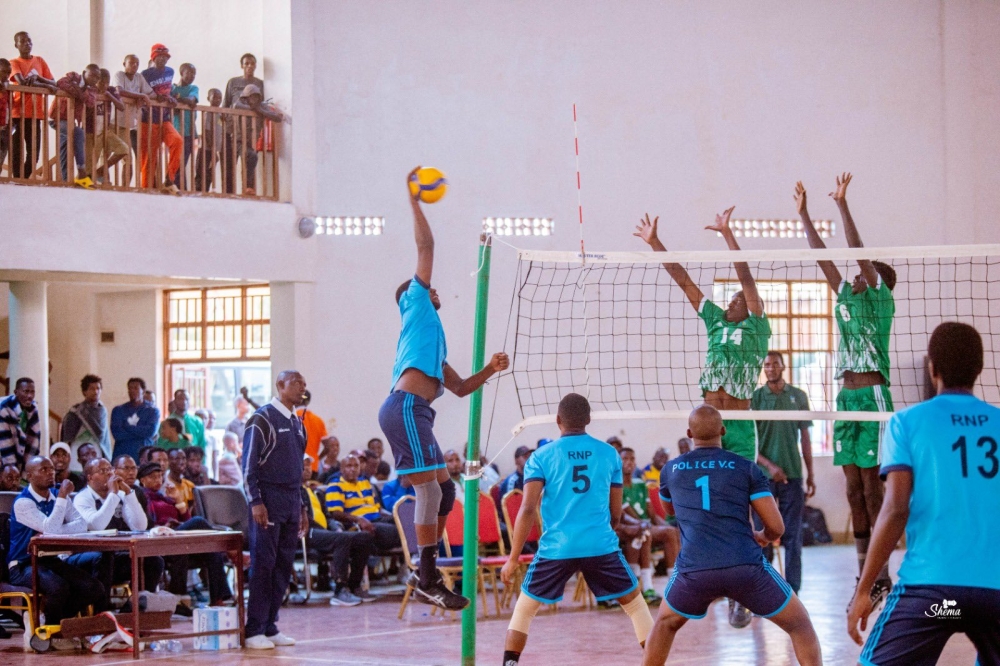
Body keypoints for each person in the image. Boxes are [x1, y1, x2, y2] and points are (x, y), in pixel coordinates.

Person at [377, 168, 510, 610]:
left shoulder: (434, 345)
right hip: (405, 407)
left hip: (419, 410)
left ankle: (424, 571)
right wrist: (414, 200)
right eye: (428, 287)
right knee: (430, 492)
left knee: (446, 491)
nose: (436, 290)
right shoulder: (413, 302)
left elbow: (461, 388)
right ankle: (427, 575)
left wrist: (490, 368)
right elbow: (426, 246)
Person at [635, 206, 770, 627]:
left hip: (741, 428)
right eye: (730, 297)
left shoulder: (758, 329)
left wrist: (728, 234)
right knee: (698, 505)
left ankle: (743, 592)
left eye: (739, 299)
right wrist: (655, 243)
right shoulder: (713, 321)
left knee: (742, 507)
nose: (733, 299)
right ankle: (696, 576)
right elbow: (684, 281)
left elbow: (746, 278)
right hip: (706, 429)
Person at [847, 322, 1000, 665]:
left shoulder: (907, 422)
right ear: (979, 368)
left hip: (937, 601)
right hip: (994, 598)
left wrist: (864, 589)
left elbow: (895, 509)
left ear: (932, 368)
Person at [642, 405, 822, 666]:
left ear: (689, 433)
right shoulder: (745, 467)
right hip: (744, 566)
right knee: (800, 624)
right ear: (723, 431)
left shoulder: (670, 470)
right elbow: (777, 527)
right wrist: (763, 536)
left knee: (665, 624)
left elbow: (670, 511)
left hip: (694, 570)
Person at [795, 174, 896, 606]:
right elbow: (824, 259)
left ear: (877, 283)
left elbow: (856, 253)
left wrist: (841, 205)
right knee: (853, 490)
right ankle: (863, 572)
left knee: (874, 490)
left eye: (862, 274)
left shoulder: (879, 300)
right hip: (845, 399)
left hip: (872, 398)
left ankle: (882, 573)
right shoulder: (846, 299)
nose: (854, 276)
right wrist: (802, 216)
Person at [499, 393, 654, 665]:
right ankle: (656, 661)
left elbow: (526, 509)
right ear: (589, 420)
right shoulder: (609, 454)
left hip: (557, 546)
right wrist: (608, 532)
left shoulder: (541, 456)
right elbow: (616, 511)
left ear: (558, 420)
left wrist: (513, 559)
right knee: (635, 604)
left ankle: (509, 662)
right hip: (599, 543)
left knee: (525, 609)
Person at [242, 370, 309, 650]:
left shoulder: (298, 422)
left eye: (304, 384)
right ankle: (253, 629)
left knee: (283, 565)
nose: (302, 388)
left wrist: (302, 505)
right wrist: (256, 502)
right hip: (267, 501)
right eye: (296, 383)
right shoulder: (262, 419)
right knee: (264, 565)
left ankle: (270, 626)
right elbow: (248, 467)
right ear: (280, 385)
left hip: (291, 501)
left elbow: (297, 470)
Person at [7, 456, 107, 632]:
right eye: (43, 469)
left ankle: (60, 622)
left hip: (50, 560)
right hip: (23, 564)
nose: (50, 473)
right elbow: (51, 528)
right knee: (58, 587)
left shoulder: (56, 496)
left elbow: (81, 524)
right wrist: (61, 497)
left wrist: (55, 527)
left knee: (94, 587)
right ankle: (51, 631)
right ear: (29, 476)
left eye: (51, 469)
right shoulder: (23, 502)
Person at [751, 351, 815, 594]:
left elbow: (806, 439)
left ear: (783, 366)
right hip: (762, 478)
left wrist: (811, 474)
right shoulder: (755, 398)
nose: (770, 368)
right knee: (762, 536)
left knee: (793, 536)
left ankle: (792, 591)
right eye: (766, 365)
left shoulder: (798, 396)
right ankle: (764, 589)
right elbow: (751, 442)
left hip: (793, 475)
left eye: (775, 364)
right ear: (763, 368)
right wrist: (770, 466)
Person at [137, 460, 233, 613]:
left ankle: (217, 599)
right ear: (142, 480)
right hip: (160, 539)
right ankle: (230, 550)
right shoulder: (143, 497)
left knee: (212, 551)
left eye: (159, 476)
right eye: (152, 477)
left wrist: (179, 500)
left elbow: (186, 521)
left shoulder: (165, 497)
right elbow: (148, 524)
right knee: (199, 521)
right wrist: (163, 526)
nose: (157, 480)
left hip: (178, 538)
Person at [70, 458, 163, 597]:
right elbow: (97, 525)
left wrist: (129, 494)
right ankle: (102, 611)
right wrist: (113, 495)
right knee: (105, 557)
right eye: (103, 471)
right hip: (86, 555)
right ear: (90, 477)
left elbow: (139, 526)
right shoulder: (82, 498)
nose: (109, 474)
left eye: (110, 469)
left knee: (153, 560)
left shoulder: (118, 494)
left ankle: (135, 608)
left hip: (114, 553)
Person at [300, 455, 376, 606]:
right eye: (303, 466)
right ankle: (340, 590)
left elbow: (329, 517)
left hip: (324, 532)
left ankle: (354, 585)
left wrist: (336, 528)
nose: (307, 469)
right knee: (342, 539)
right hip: (307, 533)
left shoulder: (314, 491)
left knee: (364, 538)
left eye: (309, 466)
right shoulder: (294, 491)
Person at [619, 447, 680, 603]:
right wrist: (644, 524)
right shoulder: (617, 486)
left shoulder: (640, 484)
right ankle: (646, 586)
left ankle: (674, 585)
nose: (629, 463)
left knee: (671, 532)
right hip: (630, 528)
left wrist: (665, 525)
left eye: (632, 459)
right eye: (625, 459)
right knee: (644, 533)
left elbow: (652, 514)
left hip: (645, 526)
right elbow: (626, 516)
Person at [325, 453, 400, 553]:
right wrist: (359, 520)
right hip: (358, 524)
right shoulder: (335, 485)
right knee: (393, 531)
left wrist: (395, 517)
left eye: (356, 466)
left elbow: (378, 508)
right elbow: (336, 514)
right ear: (342, 469)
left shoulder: (365, 483)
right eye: (349, 466)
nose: (353, 469)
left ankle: (415, 560)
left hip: (377, 518)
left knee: (405, 522)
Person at [9, 31, 56, 179]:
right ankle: (17, 179)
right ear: (16, 45)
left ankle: (22, 178)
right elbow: (22, 82)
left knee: (34, 152)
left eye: (29, 40)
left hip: (36, 113)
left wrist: (38, 78)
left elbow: (54, 82)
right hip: (17, 113)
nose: (27, 44)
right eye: (22, 41)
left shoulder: (40, 60)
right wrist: (40, 83)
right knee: (17, 150)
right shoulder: (14, 62)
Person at [138, 44, 181, 193]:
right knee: (149, 158)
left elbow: (170, 90)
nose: (162, 59)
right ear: (153, 58)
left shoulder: (171, 72)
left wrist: (171, 98)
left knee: (177, 141)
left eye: (165, 57)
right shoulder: (145, 74)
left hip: (164, 118)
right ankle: (146, 190)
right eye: (159, 57)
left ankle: (169, 179)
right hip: (148, 119)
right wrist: (156, 97)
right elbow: (142, 91)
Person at [48, 64, 100, 187]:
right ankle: (81, 172)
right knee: (78, 133)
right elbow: (61, 83)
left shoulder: (93, 89)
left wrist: (76, 91)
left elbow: (90, 102)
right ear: (84, 72)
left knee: (65, 148)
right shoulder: (73, 76)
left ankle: (66, 180)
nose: (95, 79)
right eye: (92, 75)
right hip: (58, 118)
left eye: (97, 77)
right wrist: (80, 91)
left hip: (72, 121)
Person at [222, 53, 264, 194]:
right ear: (242, 65)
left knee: (249, 158)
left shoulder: (259, 83)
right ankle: (228, 194)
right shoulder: (233, 82)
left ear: (255, 65)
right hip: (231, 129)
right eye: (246, 63)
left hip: (250, 130)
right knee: (229, 163)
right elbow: (226, 104)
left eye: (252, 63)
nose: (249, 66)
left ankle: (248, 188)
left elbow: (260, 105)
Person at [112, 53, 152, 182]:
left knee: (127, 157)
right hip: (114, 122)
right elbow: (119, 91)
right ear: (124, 64)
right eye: (131, 63)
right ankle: (101, 182)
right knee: (105, 154)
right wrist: (140, 96)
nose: (134, 65)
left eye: (137, 63)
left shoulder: (139, 78)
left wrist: (143, 97)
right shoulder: (119, 75)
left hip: (128, 124)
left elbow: (151, 94)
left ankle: (125, 188)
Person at [89, 68, 129, 184]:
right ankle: (89, 178)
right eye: (101, 83)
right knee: (90, 164)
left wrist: (109, 96)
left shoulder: (111, 90)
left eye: (107, 83)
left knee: (124, 149)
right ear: (96, 81)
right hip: (92, 132)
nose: (104, 86)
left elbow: (121, 107)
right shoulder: (91, 90)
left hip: (105, 131)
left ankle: (100, 171)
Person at [110, 377, 160, 462]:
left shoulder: (152, 411)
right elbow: (117, 434)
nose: (132, 391)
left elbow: (150, 432)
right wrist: (140, 432)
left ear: (143, 391)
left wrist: (127, 426)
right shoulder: (118, 410)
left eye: (136, 388)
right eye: (130, 388)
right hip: (122, 455)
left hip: (143, 456)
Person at [62, 373, 111, 460]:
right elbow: (68, 439)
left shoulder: (102, 411)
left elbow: (104, 439)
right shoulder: (76, 412)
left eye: (98, 388)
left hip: (98, 455)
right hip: (78, 456)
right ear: (84, 391)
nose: (96, 392)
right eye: (92, 389)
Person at [0, 377, 41, 470]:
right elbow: (5, 444)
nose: (30, 396)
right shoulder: (4, 409)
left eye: (32, 392)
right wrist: (13, 471)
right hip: (4, 459)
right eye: (26, 391)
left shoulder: (33, 408)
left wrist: (29, 468)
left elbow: (34, 439)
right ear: (16, 392)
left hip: (21, 458)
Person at [170, 62, 198, 184]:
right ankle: (180, 189)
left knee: (182, 163)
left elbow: (192, 101)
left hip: (188, 132)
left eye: (194, 74)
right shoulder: (172, 88)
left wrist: (177, 100)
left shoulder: (193, 88)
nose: (192, 76)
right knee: (176, 163)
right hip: (175, 130)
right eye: (189, 73)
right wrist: (176, 101)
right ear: (182, 73)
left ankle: (181, 190)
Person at [194, 87, 223, 192]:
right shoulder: (208, 113)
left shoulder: (220, 114)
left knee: (209, 175)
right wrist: (213, 149)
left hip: (214, 150)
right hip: (206, 149)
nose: (218, 100)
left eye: (220, 98)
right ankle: (198, 194)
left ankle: (205, 192)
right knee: (201, 173)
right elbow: (206, 131)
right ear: (208, 98)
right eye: (215, 97)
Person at [296, 390, 327, 472]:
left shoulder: (292, 417)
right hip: (312, 466)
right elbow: (328, 446)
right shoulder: (318, 420)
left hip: (296, 466)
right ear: (308, 401)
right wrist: (317, 459)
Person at [0, 59, 11, 169]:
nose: (7, 75)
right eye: (4, 72)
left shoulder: (6, 86)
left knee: (3, 149)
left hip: (4, 125)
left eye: (8, 73)